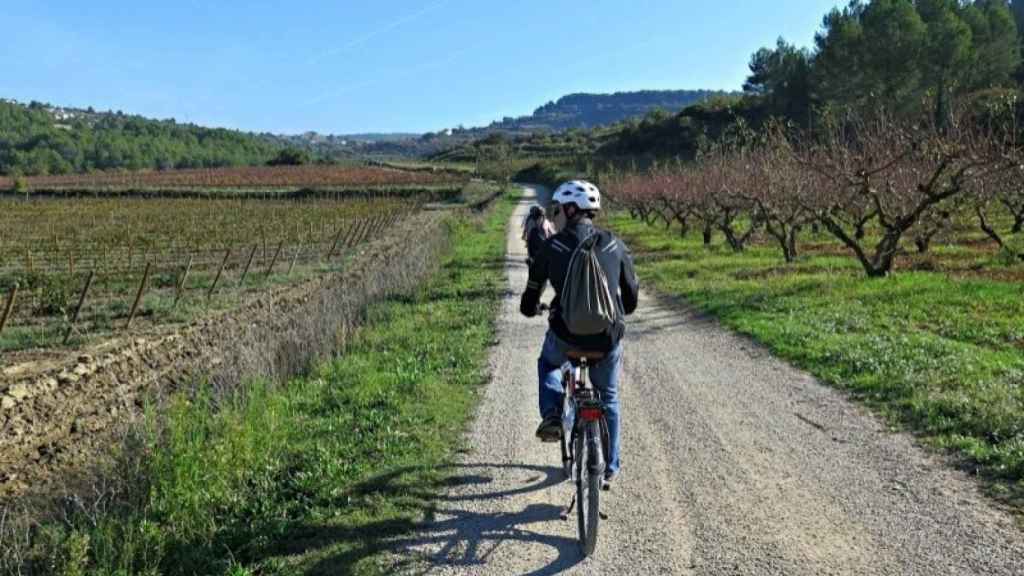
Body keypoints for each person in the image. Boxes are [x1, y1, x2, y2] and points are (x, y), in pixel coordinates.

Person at [520, 180, 639, 488]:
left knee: (548, 365)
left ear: (571, 210)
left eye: (559, 209)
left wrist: (533, 308)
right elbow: (632, 298)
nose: (556, 215)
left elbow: (529, 298)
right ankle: (609, 466)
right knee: (608, 395)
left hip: (566, 336)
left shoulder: (553, 246)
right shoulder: (615, 244)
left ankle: (552, 414)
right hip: (606, 338)